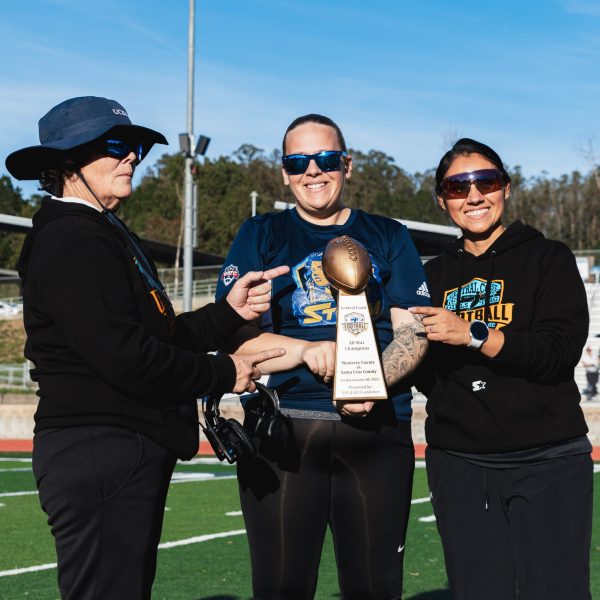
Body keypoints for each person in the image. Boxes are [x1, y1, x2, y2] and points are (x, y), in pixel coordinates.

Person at [5, 96, 287, 600]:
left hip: (116, 447)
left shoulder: (99, 231)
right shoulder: (73, 237)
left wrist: (228, 313)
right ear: (69, 162)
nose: (132, 156)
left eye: (136, 146)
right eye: (116, 145)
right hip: (100, 446)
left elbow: (159, 335)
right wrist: (223, 373)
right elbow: (127, 357)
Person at [215, 114, 430, 599]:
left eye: (326, 158)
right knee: (280, 588)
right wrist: (306, 350)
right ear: (284, 172)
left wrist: (368, 380)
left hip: (376, 430)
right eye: (298, 162)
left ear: (347, 165)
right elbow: (236, 340)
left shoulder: (388, 234)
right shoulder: (261, 233)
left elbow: (413, 331)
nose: (313, 171)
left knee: (375, 589)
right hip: (285, 429)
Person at [410, 138, 593, 600]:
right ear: (442, 200)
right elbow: (422, 370)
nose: (474, 196)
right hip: (460, 463)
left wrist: (473, 334)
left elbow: (557, 352)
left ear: (506, 188)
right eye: (457, 187)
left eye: (486, 182)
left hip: (548, 459)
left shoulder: (549, 257)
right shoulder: (431, 277)